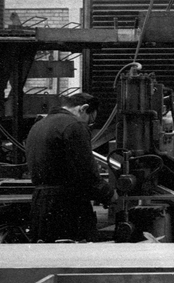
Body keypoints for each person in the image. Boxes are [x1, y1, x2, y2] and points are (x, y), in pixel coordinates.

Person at [26, 92, 115, 242]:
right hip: (67, 208)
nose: (88, 125)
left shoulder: (38, 125)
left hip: (40, 205)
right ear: (83, 108)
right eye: (90, 120)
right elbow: (87, 172)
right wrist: (108, 194)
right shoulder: (75, 125)